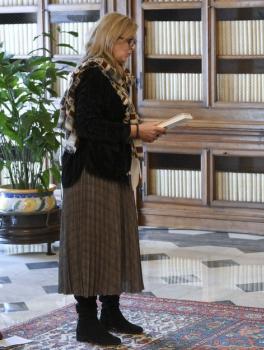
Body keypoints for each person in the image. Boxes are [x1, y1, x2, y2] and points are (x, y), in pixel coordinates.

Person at [57, 13, 165, 346]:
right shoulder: (92, 75)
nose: (132, 47)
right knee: (90, 246)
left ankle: (111, 312)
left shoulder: (113, 75)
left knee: (114, 242)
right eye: (128, 41)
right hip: (89, 173)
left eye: (134, 41)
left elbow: (107, 123)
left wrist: (137, 132)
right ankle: (87, 322)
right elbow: (89, 127)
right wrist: (135, 131)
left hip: (111, 169)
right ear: (109, 39)